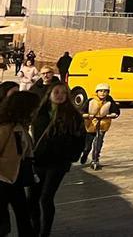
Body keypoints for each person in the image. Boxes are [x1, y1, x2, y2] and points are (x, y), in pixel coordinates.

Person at [30, 82, 85, 237]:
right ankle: (34, 228)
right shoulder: (39, 113)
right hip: (39, 160)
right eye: (57, 92)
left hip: (58, 162)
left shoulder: (73, 116)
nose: (60, 95)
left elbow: (80, 138)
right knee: (32, 198)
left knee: (46, 197)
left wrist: (72, 156)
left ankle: (45, 232)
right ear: (49, 94)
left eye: (63, 93)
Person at [0, 92, 38, 235]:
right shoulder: (5, 128)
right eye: (33, 108)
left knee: (23, 215)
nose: (35, 111)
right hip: (3, 179)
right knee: (5, 221)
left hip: (15, 178)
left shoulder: (20, 126)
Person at [81, 83, 120, 170]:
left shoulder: (110, 101)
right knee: (88, 145)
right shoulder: (91, 100)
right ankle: (85, 153)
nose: (103, 93)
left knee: (98, 142)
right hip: (91, 124)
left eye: (105, 91)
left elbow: (116, 111)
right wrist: (87, 115)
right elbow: (82, 111)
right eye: (101, 91)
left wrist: (112, 115)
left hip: (103, 123)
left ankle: (95, 160)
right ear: (97, 92)